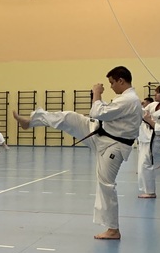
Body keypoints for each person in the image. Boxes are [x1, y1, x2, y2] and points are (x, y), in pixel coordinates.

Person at [13, 65, 142, 240]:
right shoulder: (126, 99)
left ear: (121, 80)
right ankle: (30, 122)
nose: (111, 86)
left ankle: (113, 229)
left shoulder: (129, 100)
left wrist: (97, 93)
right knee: (69, 117)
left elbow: (96, 112)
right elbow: (105, 114)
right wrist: (99, 99)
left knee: (106, 184)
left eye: (112, 83)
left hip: (112, 145)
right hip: (102, 135)